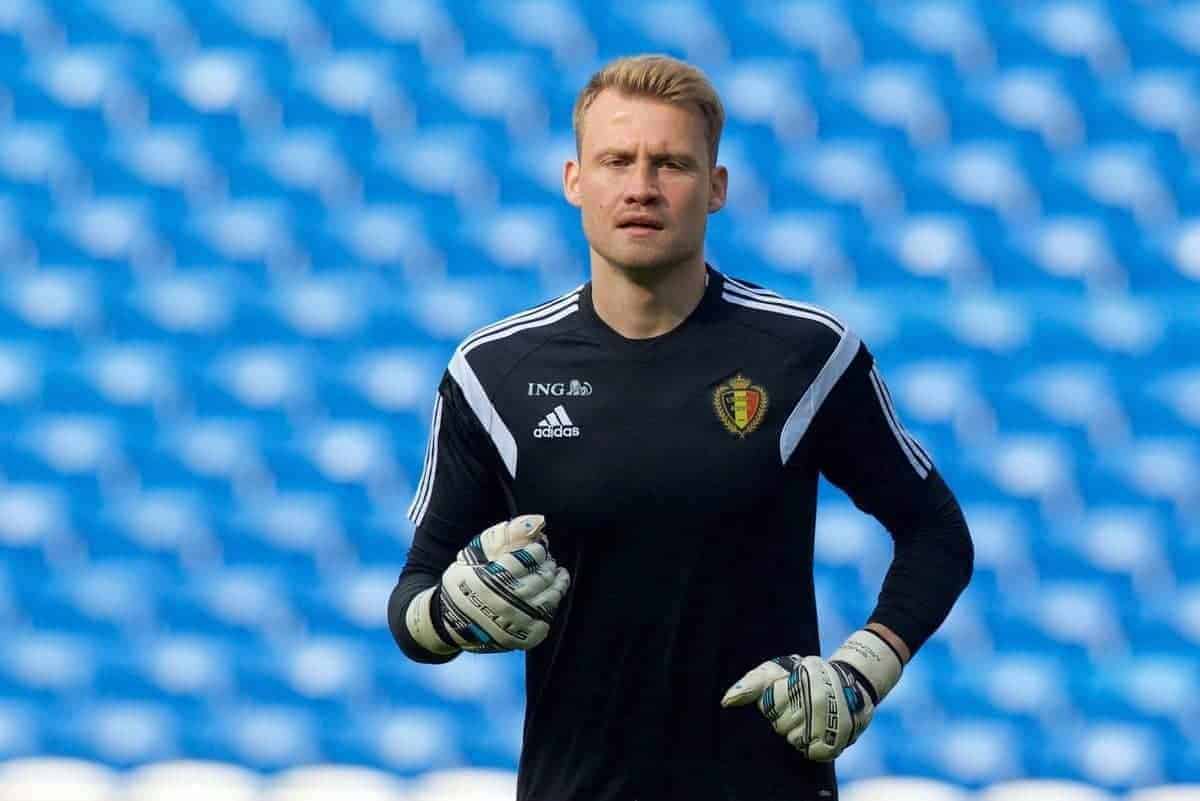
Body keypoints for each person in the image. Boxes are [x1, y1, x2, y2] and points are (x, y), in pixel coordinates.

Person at [388, 54, 974, 801]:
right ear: (575, 180)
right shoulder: (492, 372)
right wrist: (447, 615)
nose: (641, 186)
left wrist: (865, 668)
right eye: (616, 161)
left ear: (717, 187)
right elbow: (412, 598)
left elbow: (936, 532)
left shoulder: (806, 354)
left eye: (671, 164)